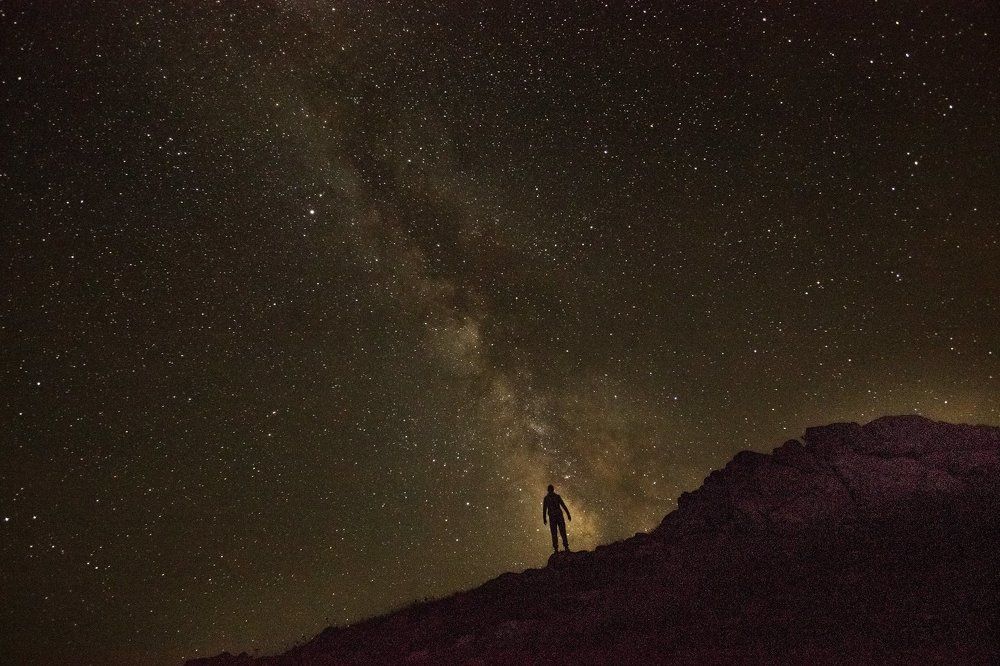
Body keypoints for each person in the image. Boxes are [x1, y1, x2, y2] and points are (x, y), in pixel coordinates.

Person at [542, 484, 571, 553]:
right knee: (560, 532)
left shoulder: (548, 498)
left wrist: (544, 518)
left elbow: (544, 509)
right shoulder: (552, 497)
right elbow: (545, 509)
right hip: (557, 516)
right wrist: (568, 514)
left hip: (555, 517)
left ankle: (559, 548)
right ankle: (563, 547)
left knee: (557, 532)